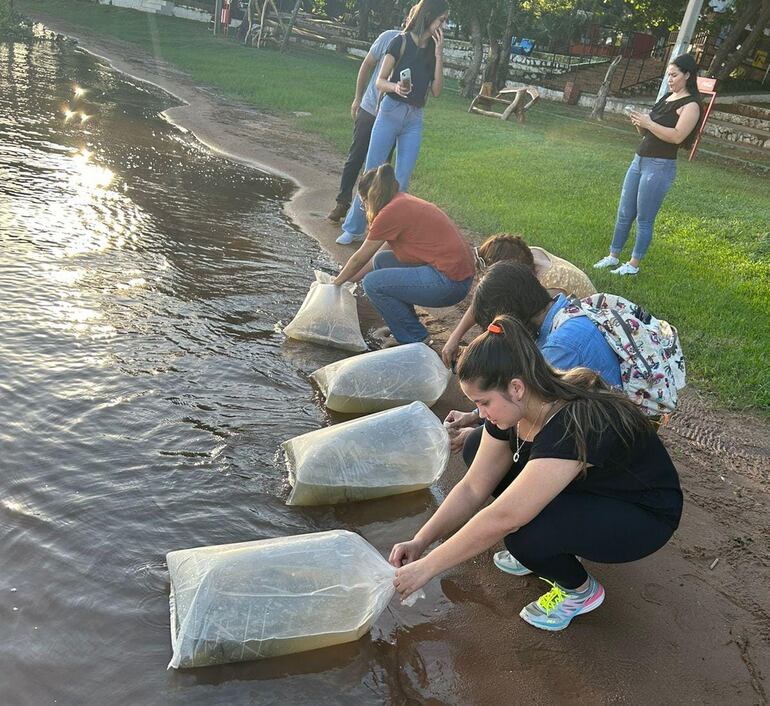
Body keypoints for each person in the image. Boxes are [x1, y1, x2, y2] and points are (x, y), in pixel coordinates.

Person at [390, 315, 683, 631]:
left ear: (516, 387)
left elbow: (504, 517)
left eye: (483, 402)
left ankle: (579, 591)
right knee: (478, 445)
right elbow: (473, 487)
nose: (481, 413)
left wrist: (426, 568)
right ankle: (554, 541)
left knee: (523, 534)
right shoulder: (522, 406)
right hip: (593, 488)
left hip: (643, 514)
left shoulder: (573, 422)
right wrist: (421, 542)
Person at [444, 260, 619, 453]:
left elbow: (530, 405)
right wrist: (474, 415)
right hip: (589, 413)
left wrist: (476, 432)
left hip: (603, 433)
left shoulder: (558, 346)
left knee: (476, 444)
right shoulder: (559, 310)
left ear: (509, 313)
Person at [336, 0, 448, 245]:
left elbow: (437, 91)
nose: (444, 26)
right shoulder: (400, 42)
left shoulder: (432, 50)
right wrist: (395, 86)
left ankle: (390, 233)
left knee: (402, 178)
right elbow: (380, 81)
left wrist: (439, 55)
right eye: (442, 20)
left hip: (414, 118)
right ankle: (353, 227)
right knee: (372, 171)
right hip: (389, 111)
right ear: (429, 17)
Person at [332, 164, 474, 346]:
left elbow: (359, 257)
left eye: (364, 203)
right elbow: (374, 258)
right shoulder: (400, 202)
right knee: (383, 262)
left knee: (373, 284)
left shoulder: (389, 214)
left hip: (449, 284)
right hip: (456, 278)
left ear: (372, 197)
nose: (365, 208)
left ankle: (413, 337)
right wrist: (347, 281)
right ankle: (405, 326)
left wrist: (335, 283)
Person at [594, 53, 702, 276]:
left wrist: (649, 123)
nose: (669, 79)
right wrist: (639, 123)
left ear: (687, 75)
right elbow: (647, 131)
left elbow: (677, 136)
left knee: (644, 218)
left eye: (674, 75)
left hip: (659, 166)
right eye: (668, 75)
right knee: (624, 212)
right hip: (639, 160)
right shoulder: (666, 98)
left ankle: (633, 265)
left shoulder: (691, 105)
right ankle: (613, 256)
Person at [441, 233, 596, 368]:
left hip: (575, 348)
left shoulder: (550, 289)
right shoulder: (524, 256)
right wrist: (455, 337)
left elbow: (521, 337)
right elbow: (486, 297)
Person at [327, 14, 411, 222]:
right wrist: (357, 98)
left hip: (391, 116)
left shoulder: (418, 49)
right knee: (355, 157)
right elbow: (366, 66)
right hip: (370, 108)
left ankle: (374, 213)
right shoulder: (388, 37)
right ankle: (342, 202)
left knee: (381, 168)